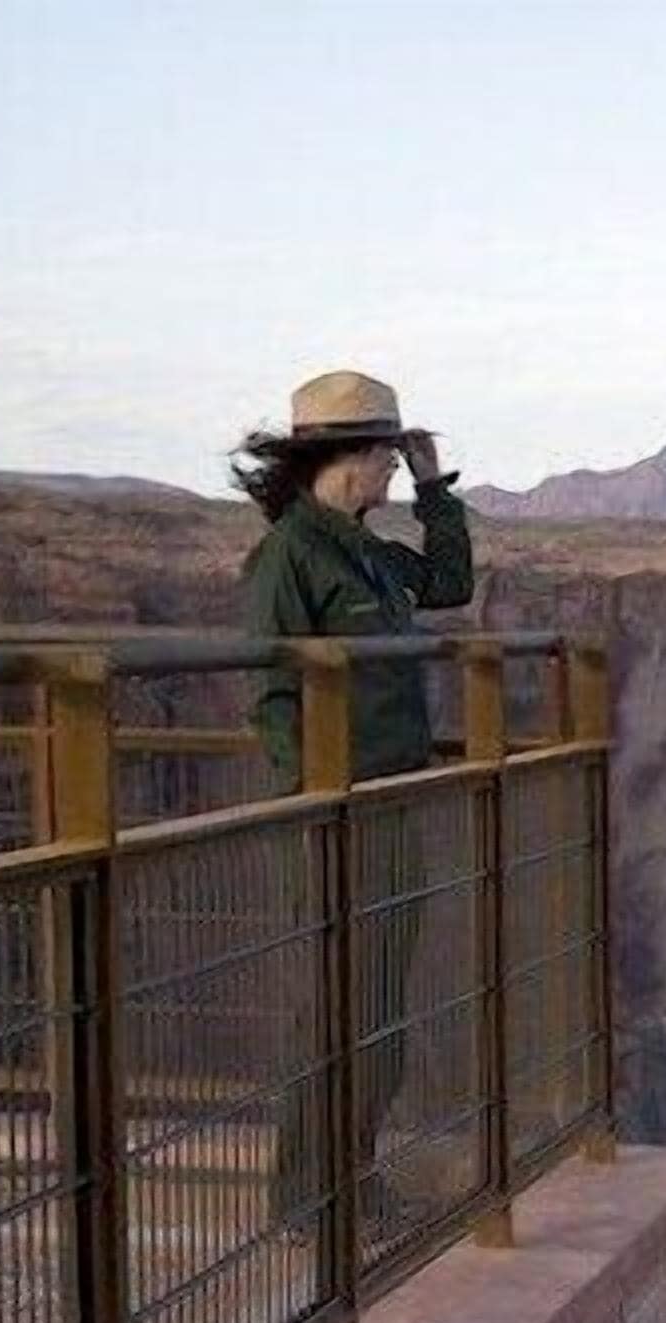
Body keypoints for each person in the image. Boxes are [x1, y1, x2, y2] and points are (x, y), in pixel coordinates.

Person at [228, 370, 475, 1241]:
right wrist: (315, 796)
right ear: (346, 458)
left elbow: (449, 585)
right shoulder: (291, 556)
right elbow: (271, 691)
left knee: (378, 1008)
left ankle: (353, 1182)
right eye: (388, 460)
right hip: (338, 808)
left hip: (391, 798)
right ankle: (307, 1201)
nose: (392, 476)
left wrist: (437, 486)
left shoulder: (364, 548)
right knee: (332, 1005)